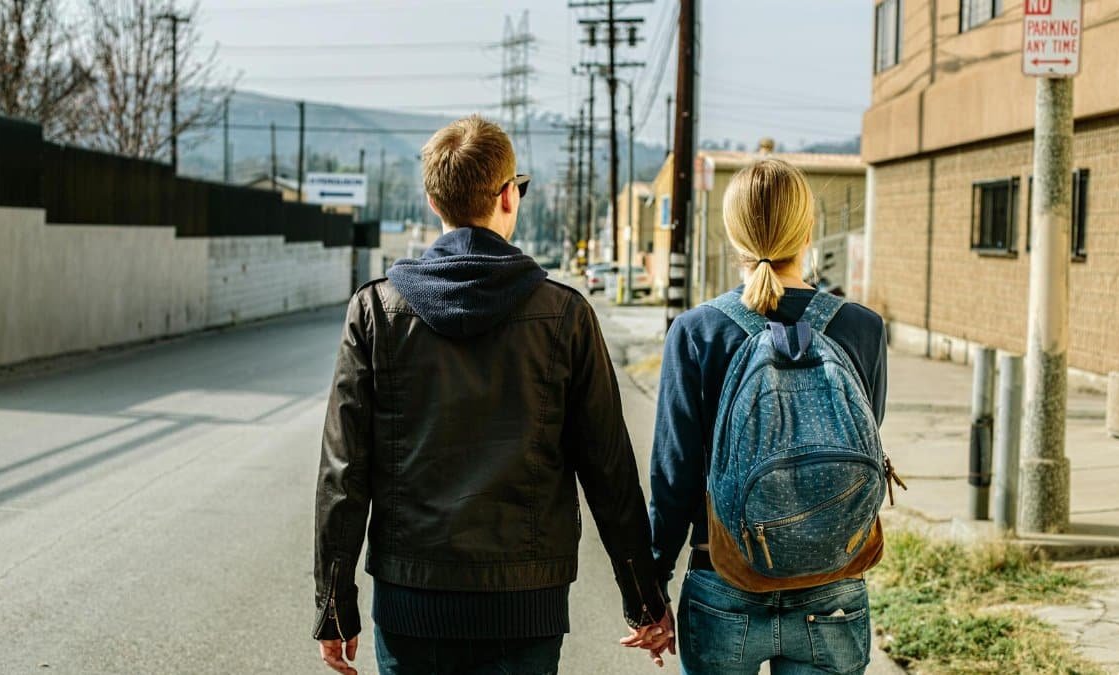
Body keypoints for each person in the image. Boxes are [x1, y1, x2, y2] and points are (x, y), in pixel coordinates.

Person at [312, 115, 670, 675]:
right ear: (508, 195)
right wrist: (644, 601)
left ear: (434, 203)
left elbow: (344, 471)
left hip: (412, 601)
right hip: (525, 605)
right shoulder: (565, 314)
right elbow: (609, 469)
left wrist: (335, 606)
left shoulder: (377, 311)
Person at [645, 158, 888, 674]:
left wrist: (653, 590)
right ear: (809, 230)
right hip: (833, 587)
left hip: (723, 580)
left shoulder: (698, 332)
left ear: (733, 233)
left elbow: (675, 479)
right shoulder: (862, 329)